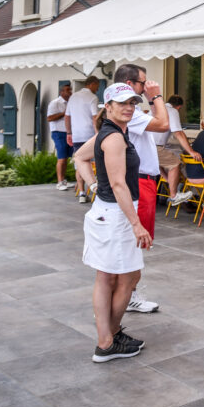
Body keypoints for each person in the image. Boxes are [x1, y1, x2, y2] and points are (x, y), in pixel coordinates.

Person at [78, 64, 167, 313]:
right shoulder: (128, 114)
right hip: (137, 183)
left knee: (128, 252)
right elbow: (163, 124)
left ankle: (121, 305)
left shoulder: (125, 116)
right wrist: (157, 96)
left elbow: (81, 155)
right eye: (143, 83)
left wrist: (94, 185)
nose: (146, 87)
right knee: (131, 250)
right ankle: (127, 298)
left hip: (141, 183)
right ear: (130, 85)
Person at [74, 83, 152, 363]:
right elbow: (119, 184)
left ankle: (110, 337)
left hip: (106, 211)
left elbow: (79, 157)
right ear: (107, 107)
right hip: (116, 214)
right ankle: (107, 341)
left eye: (132, 103)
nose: (129, 107)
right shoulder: (115, 138)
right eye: (122, 103)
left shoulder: (109, 133)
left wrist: (94, 186)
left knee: (108, 276)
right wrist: (136, 224)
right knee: (126, 277)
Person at [152, 95, 201, 209]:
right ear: (179, 107)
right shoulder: (172, 111)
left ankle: (169, 181)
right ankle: (174, 196)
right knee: (175, 164)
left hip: (146, 146)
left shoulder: (157, 108)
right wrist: (191, 151)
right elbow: (178, 133)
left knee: (161, 163)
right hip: (156, 146)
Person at [65, 75, 101, 203]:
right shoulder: (92, 97)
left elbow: (67, 117)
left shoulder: (73, 97)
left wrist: (69, 133)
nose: (97, 89)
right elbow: (95, 118)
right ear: (92, 84)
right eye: (97, 86)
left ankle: (81, 192)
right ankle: (96, 190)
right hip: (89, 135)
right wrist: (98, 134)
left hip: (77, 135)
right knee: (96, 163)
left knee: (79, 163)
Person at [46, 83, 73, 190]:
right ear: (61, 92)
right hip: (58, 132)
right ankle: (59, 182)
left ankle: (63, 180)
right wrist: (64, 113)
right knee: (61, 157)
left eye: (70, 90)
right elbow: (49, 118)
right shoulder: (55, 103)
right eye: (67, 90)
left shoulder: (70, 103)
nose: (70, 92)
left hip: (68, 133)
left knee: (66, 157)